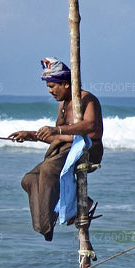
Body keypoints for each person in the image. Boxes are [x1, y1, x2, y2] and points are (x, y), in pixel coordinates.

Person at [9, 57, 104, 241]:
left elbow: (91, 126)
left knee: (49, 168)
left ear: (66, 84)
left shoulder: (87, 99)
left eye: (52, 86)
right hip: (67, 149)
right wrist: (31, 135)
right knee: (29, 179)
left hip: (88, 149)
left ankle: (51, 221)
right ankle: (47, 223)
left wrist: (57, 130)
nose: (50, 91)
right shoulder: (63, 105)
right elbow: (58, 137)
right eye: (48, 87)